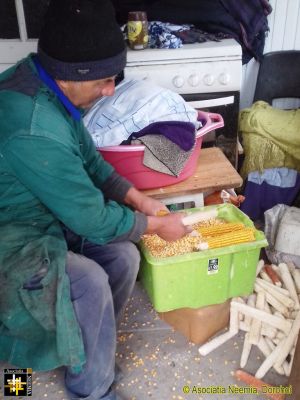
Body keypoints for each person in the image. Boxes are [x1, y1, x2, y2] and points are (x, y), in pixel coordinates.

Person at [0, 1, 192, 399]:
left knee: (124, 257)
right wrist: (158, 226)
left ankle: (87, 353)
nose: (110, 90)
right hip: (12, 237)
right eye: (103, 81)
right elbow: (92, 219)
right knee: (89, 282)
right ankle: (92, 391)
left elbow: (90, 160)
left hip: (44, 215)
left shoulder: (46, 82)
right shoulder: (34, 128)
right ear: (70, 75)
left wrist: (141, 201)